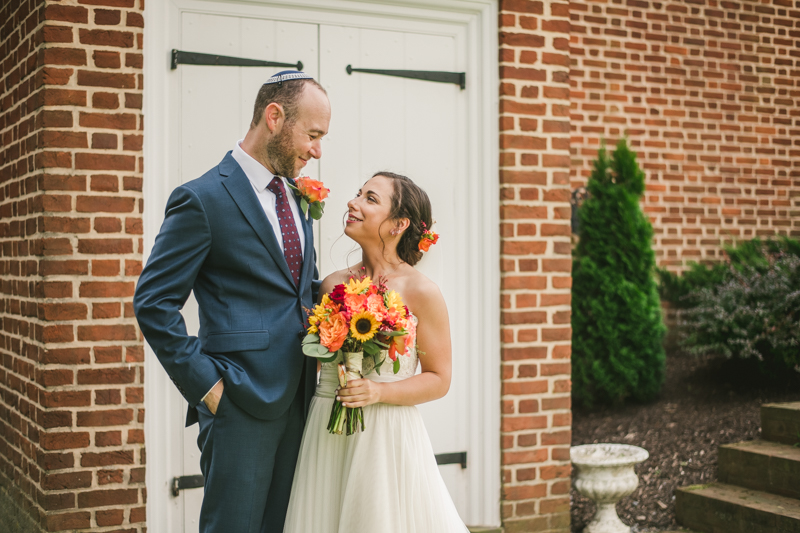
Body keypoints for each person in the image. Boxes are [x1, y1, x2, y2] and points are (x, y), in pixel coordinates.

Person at [133, 71, 330, 533]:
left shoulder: (297, 198)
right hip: (239, 400)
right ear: (275, 117)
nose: (318, 151)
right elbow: (154, 302)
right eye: (314, 134)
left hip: (300, 398)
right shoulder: (202, 199)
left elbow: (302, 287)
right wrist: (209, 388)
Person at [283, 172, 468, 532]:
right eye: (357, 194)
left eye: (370, 198)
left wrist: (378, 391)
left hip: (385, 434)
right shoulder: (332, 285)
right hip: (327, 426)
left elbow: (439, 379)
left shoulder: (422, 292)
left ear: (399, 224)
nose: (353, 203)